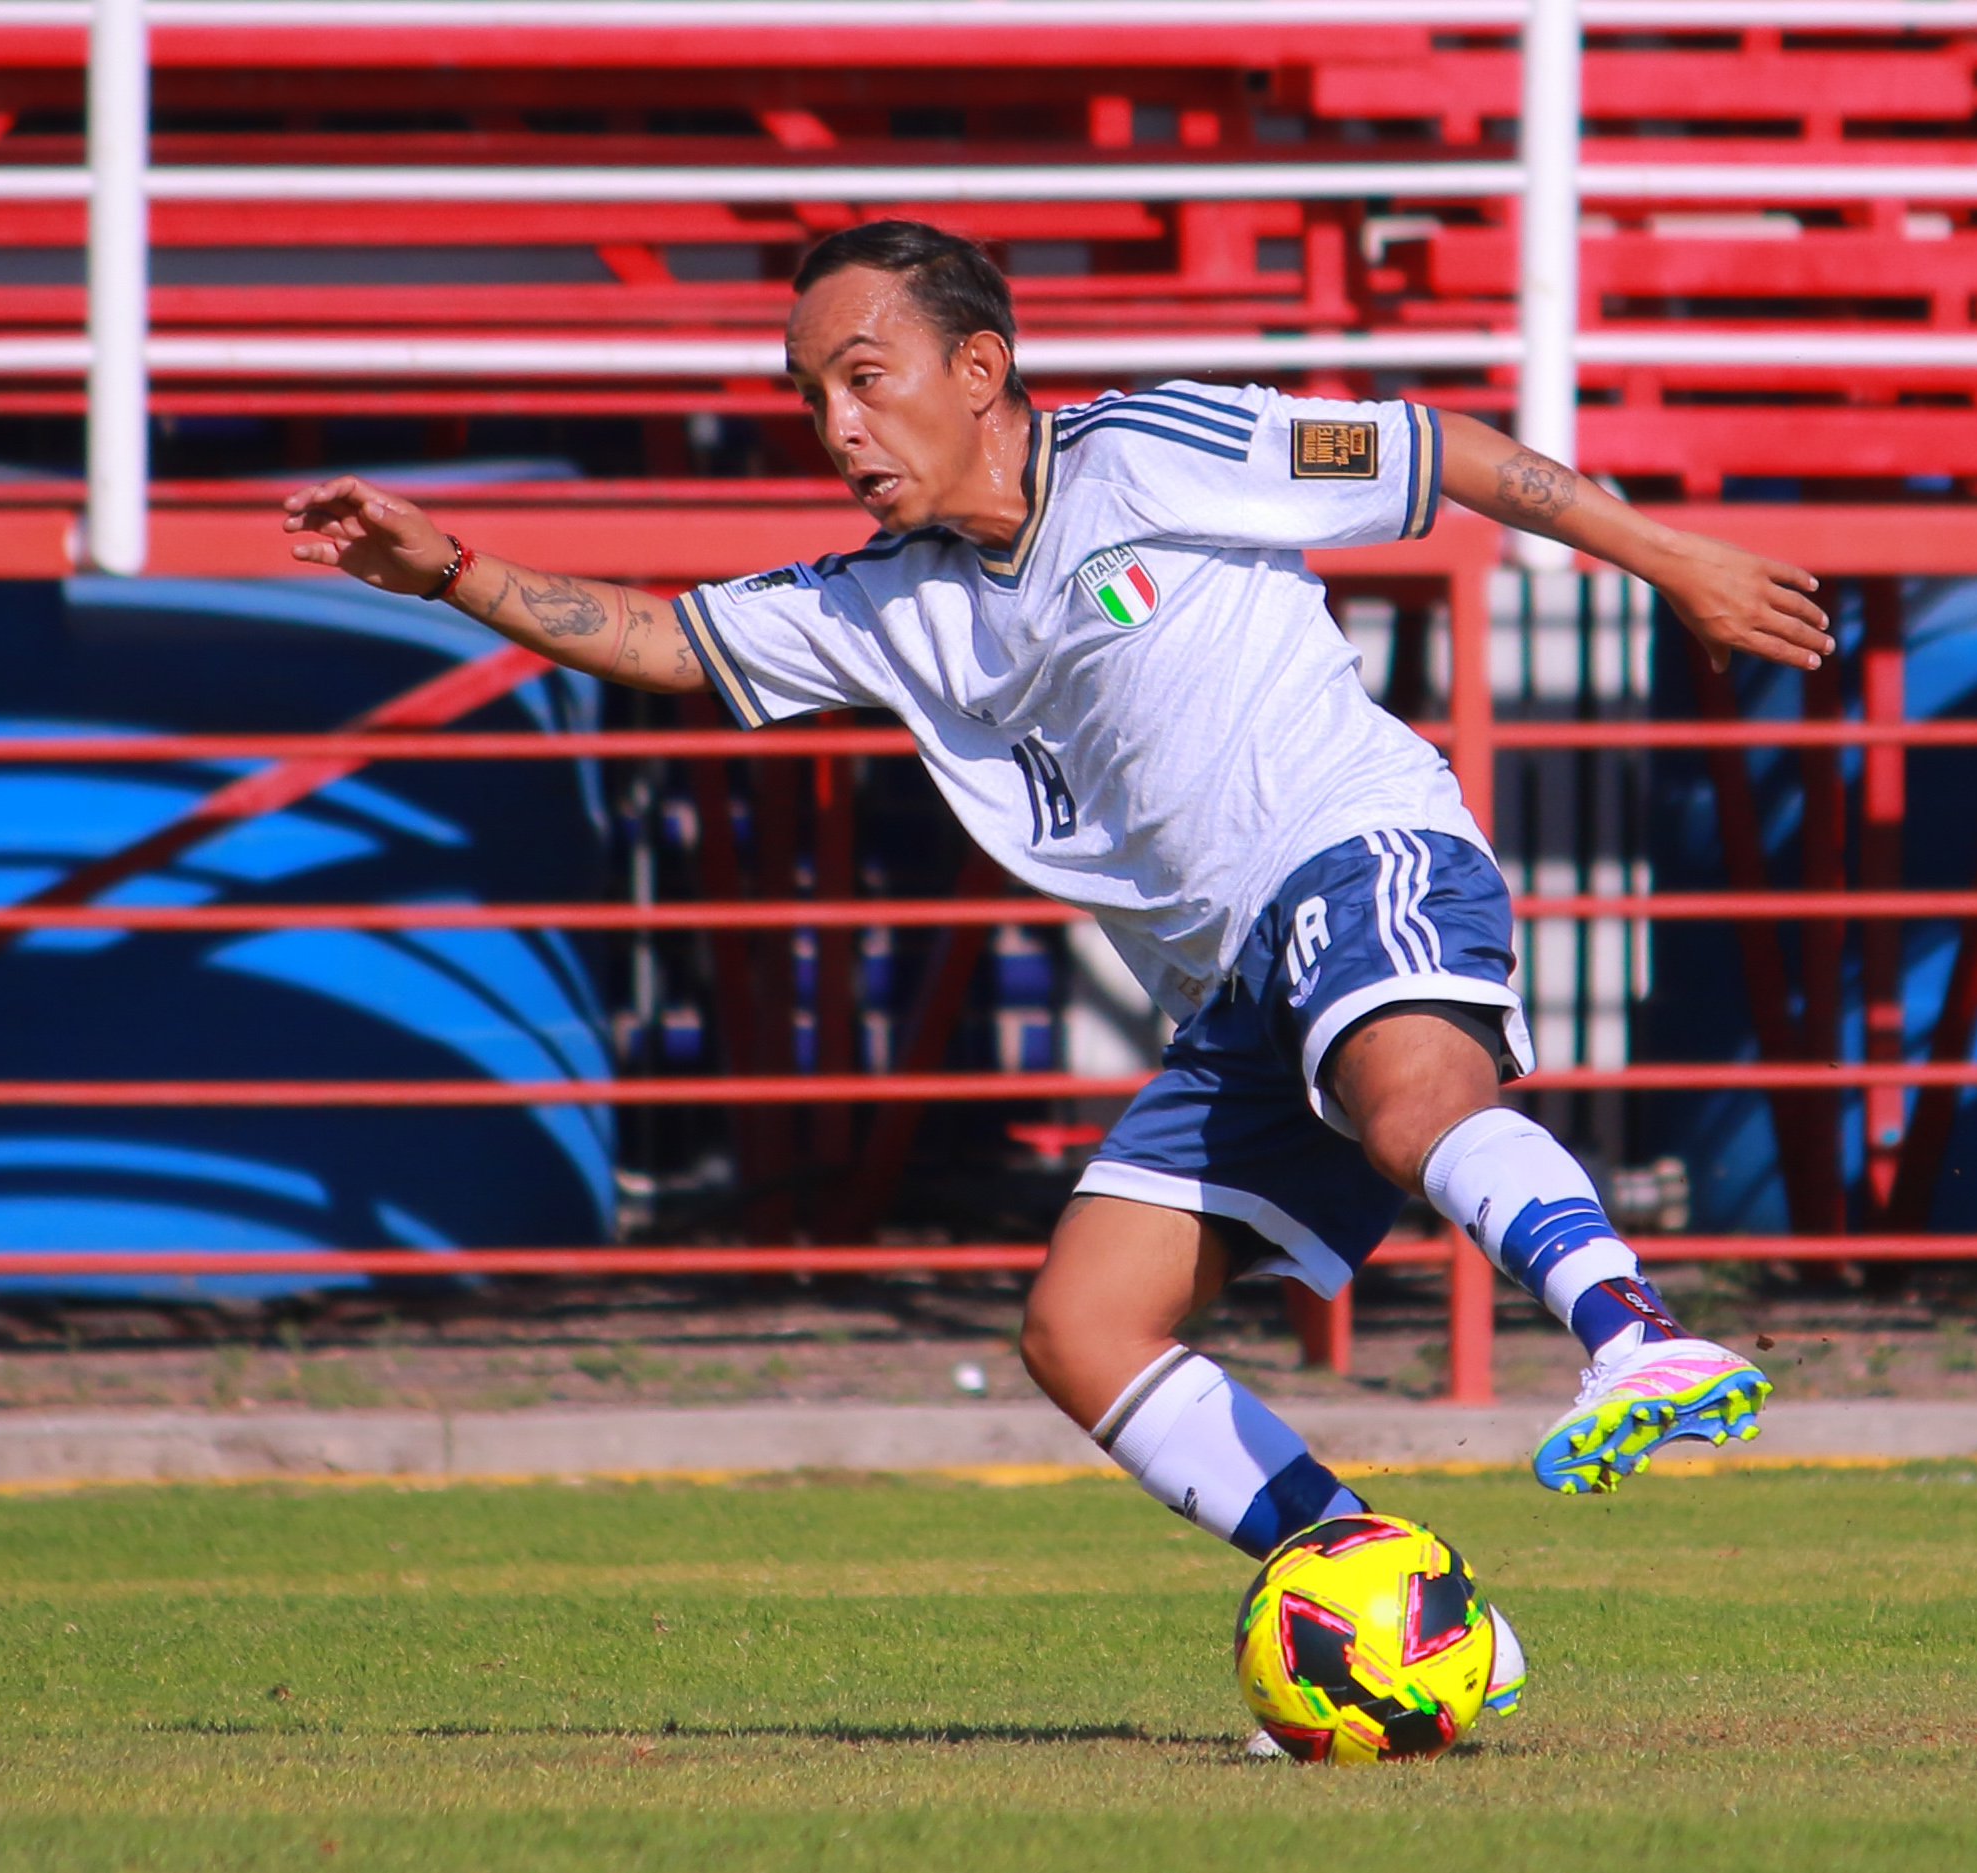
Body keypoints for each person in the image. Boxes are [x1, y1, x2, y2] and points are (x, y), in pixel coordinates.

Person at [281, 218, 1827, 1641]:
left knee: (1411, 1103)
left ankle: (1638, 1334)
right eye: (810, 395)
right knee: (1082, 1326)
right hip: (1231, 987)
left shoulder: (1152, 448)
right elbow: (665, 638)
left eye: (864, 378)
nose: (836, 426)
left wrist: (1675, 558)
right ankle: (1393, 1600)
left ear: (980, 368)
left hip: (1359, 851)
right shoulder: (884, 598)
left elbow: (1436, 451)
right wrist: (454, 572)